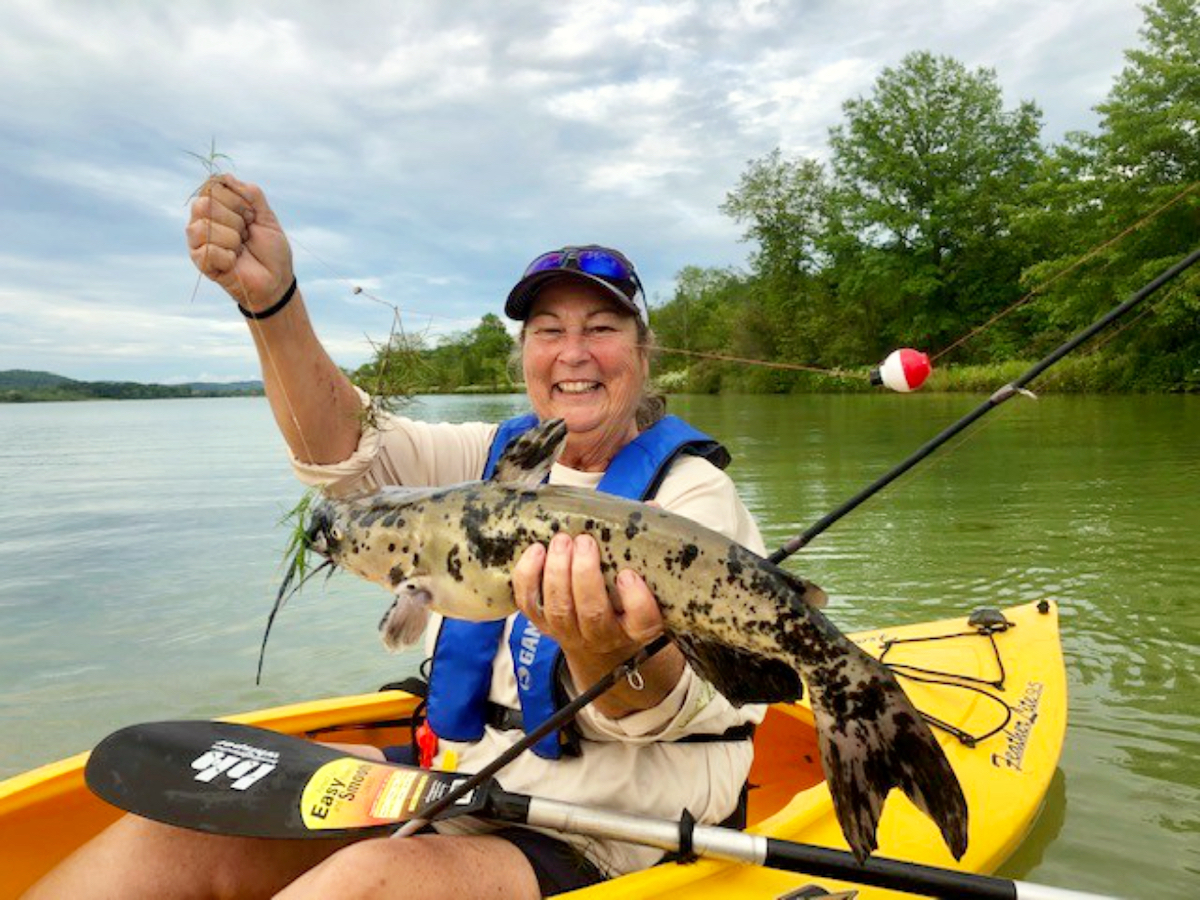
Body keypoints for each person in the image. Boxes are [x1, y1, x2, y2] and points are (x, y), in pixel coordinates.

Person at [23, 175, 769, 900]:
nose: (572, 352)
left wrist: (609, 651)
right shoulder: (489, 462)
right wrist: (269, 300)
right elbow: (344, 456)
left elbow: (704, 696)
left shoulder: (692, 498)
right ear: (525, 355)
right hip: (462, 780)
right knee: (177, 834)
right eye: (548, 331)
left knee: (362, 884)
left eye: (600, 329)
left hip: (609, 830)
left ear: (643, 353)